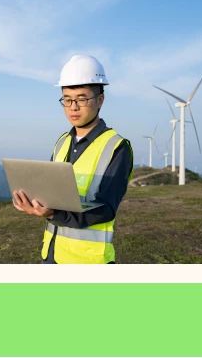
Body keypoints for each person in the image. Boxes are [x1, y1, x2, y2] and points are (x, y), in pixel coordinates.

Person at [11, 55, 134, 264]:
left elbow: (106, 209)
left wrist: (53, 214)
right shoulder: (61, 142)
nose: (73, 107)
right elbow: (50, 191)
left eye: (82, 99)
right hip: (51, 256)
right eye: (67, 99)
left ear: (100, 100)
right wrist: (33, 200)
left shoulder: (117, 147)